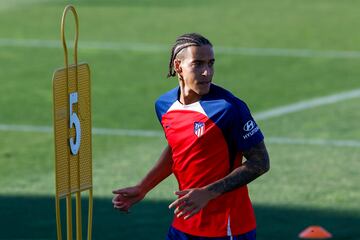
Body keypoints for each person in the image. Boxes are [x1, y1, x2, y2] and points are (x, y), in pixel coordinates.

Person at [112, 33, 270, 240]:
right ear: (178, 66)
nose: (207, 72)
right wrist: (143, 187)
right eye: (198, 64)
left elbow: (260, 162)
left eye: (211, 63)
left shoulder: (229, 108)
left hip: (226, 228)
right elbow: (179, 148)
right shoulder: (164, 106)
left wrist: (208, 192)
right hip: (184, 223)